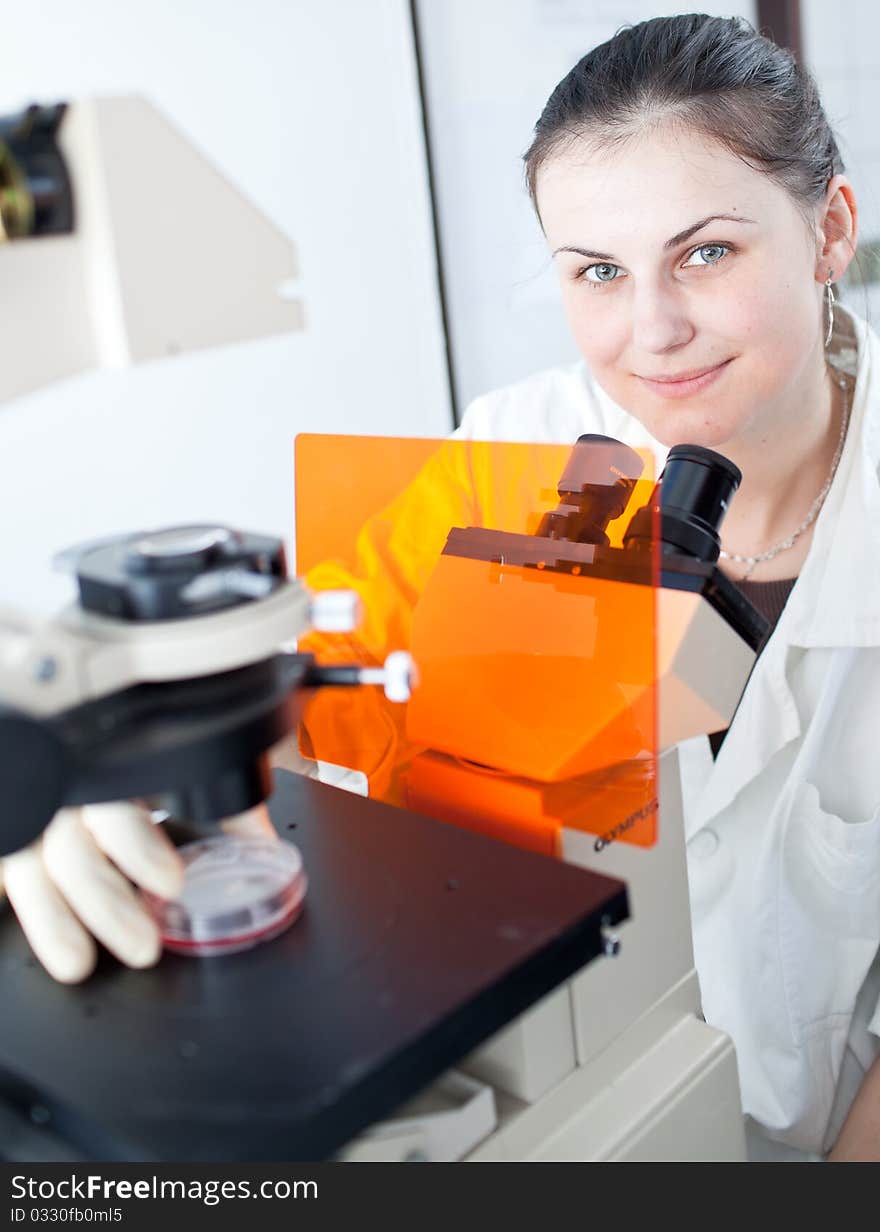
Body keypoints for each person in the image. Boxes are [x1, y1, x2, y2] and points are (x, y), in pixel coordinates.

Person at [3, 13, 879, 1162]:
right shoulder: (506, 456)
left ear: (829, 230)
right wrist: (72, 787)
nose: (651, 330)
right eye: (598, 272)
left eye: (705, 252)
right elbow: (306, 733)